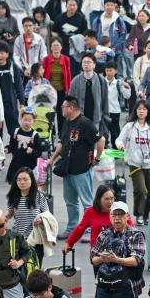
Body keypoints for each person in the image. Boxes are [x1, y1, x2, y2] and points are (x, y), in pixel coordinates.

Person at [51, 96, 106, 238]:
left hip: (82, 170)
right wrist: (52, 159)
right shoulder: (66, 122)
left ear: (72, 108)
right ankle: (72, 228)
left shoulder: (85, 123)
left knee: (87, 203)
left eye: (64, 107)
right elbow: (61, 143)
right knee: (70, 202)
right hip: (67, 170)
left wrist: (97, 158)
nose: (61, 109)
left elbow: (101, 140)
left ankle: (89, 230)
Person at [117, 102, 150, 225]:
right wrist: (121, 145)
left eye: (144, 109)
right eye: (139, 109)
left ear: (148, 112)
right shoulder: (130, 126)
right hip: (134, 162)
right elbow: (119, 139)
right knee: (141, 190)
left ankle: (147, 215)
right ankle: (139, 214)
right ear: (135, 111)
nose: (141, 111)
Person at [6, 167, 49, 245]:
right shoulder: (13, 196)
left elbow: (47, 214)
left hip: (36, 239)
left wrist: (41, 220)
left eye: (25, 180)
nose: (22, 182)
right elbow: (10, 212)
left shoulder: (39, 196)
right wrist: (2, 219)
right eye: (19, 180)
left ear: (32, 180)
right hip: (18, 238)